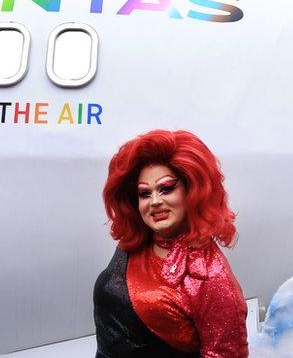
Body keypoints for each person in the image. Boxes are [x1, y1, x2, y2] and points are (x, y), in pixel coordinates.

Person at [94, 129, 248, 358]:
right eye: (145, 194)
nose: (155, 201)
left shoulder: (212, 276)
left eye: (166, 189)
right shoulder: (133, 244)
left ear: (192, 191)